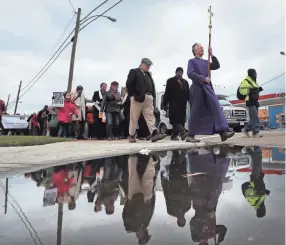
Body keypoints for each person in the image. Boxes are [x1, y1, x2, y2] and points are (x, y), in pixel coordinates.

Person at [186, 43, 235, 143]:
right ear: (195, 51)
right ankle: (190, 135)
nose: (202, 49)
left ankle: (223, 132)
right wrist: (203, 78)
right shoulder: (192, 61)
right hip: (197, 87)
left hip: (207, 88)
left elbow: (217, 66)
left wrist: (212, 55)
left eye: (202, 48)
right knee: (196, 110)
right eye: (200, 48)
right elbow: (190, 73)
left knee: (215, 107)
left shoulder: (206, 62)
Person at [126, 58, 167, 143]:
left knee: (150, 116)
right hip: (137, 98)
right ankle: (132, 135)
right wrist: (132, 95)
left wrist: (153, 97)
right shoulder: (134, 71)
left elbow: (152, 86)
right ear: (142, 63)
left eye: (149, 66)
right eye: (147, 65)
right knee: (134, 117)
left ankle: (154, 134)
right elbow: (129, 84)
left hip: (149, 97)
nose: (148, 67)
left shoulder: (148, 74)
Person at [241, 146, 270, 218]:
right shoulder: (259, 203)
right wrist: (264, 191)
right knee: (257, 164)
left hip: (255, 179)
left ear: (260, 210)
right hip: (258, 179)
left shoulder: (254, 202)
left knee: (257, 164)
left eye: (264, 211)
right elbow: (259, 189)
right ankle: (251, 152)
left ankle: (256, 150)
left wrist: (259, 189)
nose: (265, 209)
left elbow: (254, 190)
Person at [163, 67, 189, 140]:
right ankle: (183, 133)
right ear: (176, 72)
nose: (179, 73)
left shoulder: (185, 82)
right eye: (178, 72)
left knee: (181, 121)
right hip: (173, 104)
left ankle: (174, 135)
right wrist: (164, 104)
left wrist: (191, 102)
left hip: (183, 105)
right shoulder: (170, 81)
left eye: (181, 72)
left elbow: (188, 93)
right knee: (175, 120)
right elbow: (167, 93)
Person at [239, 69, 263, 138]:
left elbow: (255, 91)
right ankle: (251, 131)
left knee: (254, 118)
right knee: (254, 118)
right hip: (250, 101)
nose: (256, 75)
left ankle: (250, 131)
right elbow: (242, 91)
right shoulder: (245, 81)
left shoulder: (254, 81)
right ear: (251, 74)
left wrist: (259, 89)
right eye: (255, 73)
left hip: (255, 101)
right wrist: (249, 90)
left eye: (256, 73)